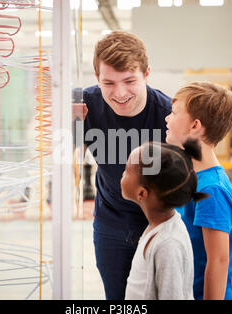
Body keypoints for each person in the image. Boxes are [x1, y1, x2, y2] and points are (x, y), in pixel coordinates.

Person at [79, 31, 172, 300]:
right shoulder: (85, 105)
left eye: (130, 81)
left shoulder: (167, 115)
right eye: (108, 83)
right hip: (110, 223)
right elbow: (61, 155)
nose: (120, 93)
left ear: (147, 74)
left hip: (159, 223)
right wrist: (67, 123)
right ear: (96, 78)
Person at [165, 81, 232, 300]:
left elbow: (218, 261)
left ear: (195, 125)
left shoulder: (212, 190)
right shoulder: (193, 178)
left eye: (174, 112)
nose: (167, 118)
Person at [120, 140, 209, 300]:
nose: (122, 173)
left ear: (142, 193)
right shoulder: (158, 227)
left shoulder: (168, 245)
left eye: (127, 170)